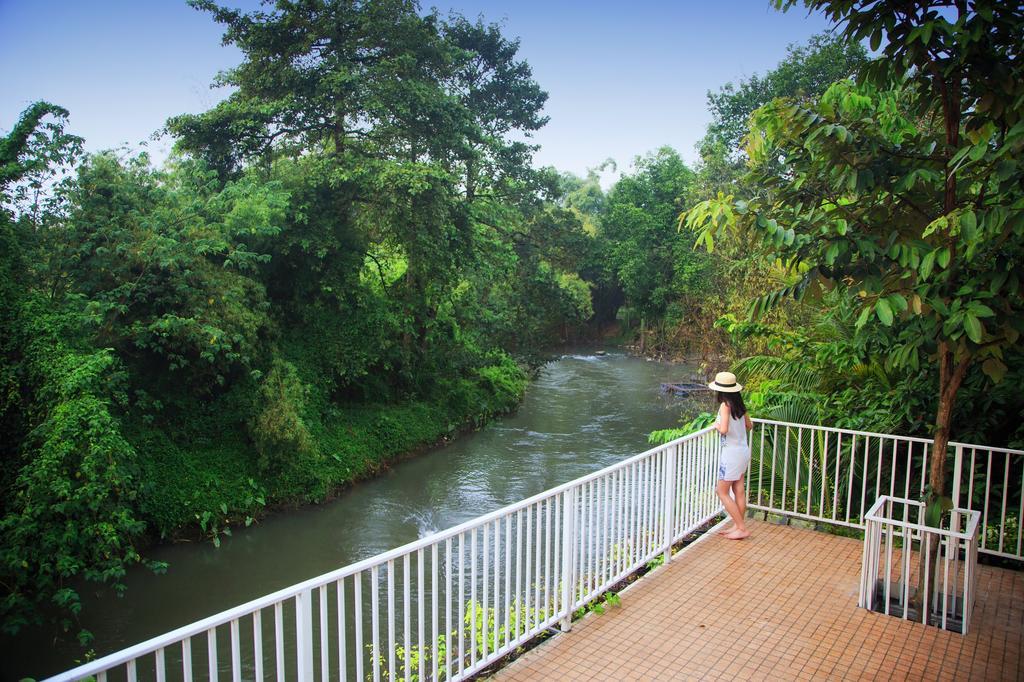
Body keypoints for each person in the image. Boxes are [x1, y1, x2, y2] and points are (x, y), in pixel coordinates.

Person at [708, 371, 752, 540]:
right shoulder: (740, 404)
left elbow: (724, 429)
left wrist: (716, 424)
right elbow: (749, 425)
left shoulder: (725, 405)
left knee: (721, 491)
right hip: (743, 451)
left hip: (731, 454)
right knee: (738, 489)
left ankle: (741, 527)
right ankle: (738, 526)